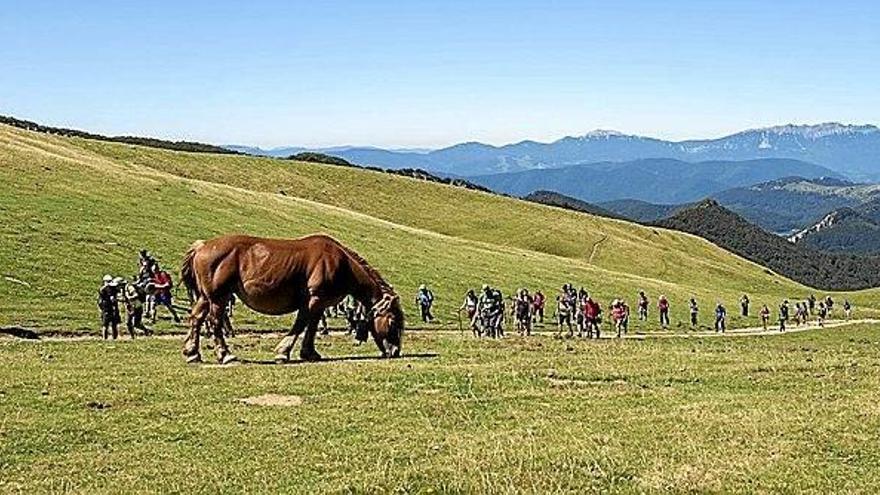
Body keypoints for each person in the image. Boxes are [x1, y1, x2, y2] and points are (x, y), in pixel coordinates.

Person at [98, 275, 121, 339]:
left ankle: (106, 338)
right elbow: (113, 298)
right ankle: (112, 338)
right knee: (111, 324)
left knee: (106, 324)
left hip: (106, 308)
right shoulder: (107, 289)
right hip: (109, 308)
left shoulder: (103, 289)